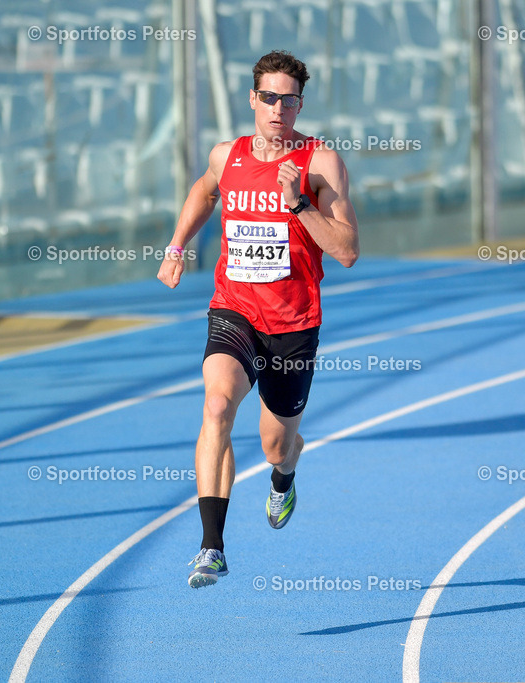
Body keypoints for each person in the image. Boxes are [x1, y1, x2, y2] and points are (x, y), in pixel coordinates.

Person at [157, 50, 359, 588]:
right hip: (235, 309)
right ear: (252, 99)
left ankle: (285, 475)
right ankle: (211, 546)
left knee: (277, 442)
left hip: (293, 324)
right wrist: (177, 246)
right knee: (217, 404)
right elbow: (204, 191)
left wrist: (299, 205)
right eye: (267, 97)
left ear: (299, 105)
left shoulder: (321, 164)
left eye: (287, 100)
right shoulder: (229, 155)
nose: (276, 109)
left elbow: (347, 251)